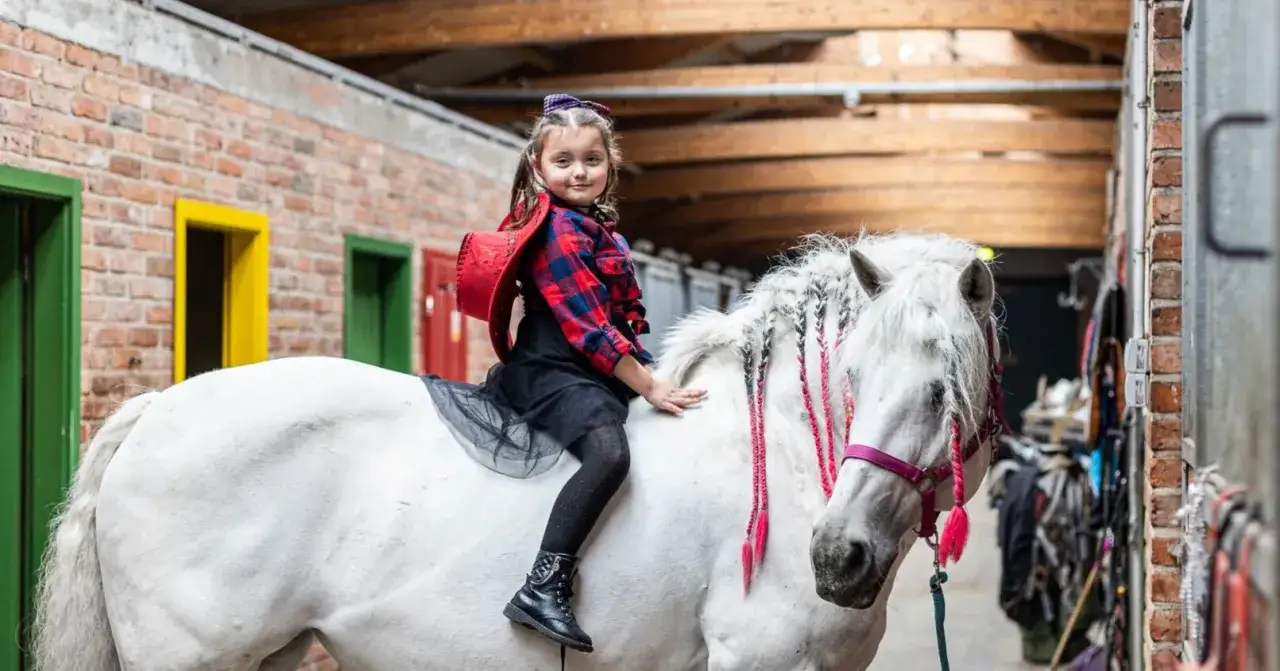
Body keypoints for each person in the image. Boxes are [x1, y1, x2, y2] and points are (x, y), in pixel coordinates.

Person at [462, 93, 707, 653]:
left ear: (610, 165)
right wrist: (650, 385)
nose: (579, 172)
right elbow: (591, 330)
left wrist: (649, 373)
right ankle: (542, 586)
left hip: (587, 370)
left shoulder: (600, 229)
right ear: (539, 167)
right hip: (553, 370)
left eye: (591, 160)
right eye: (564, 161)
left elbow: (620, 325)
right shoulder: (560, 233)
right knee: (609, 453)